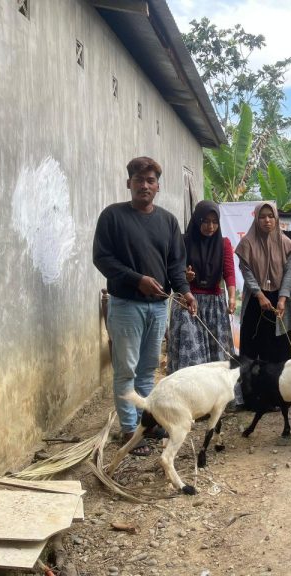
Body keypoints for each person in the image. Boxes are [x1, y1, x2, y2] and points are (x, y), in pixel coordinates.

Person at [93, 156, 196, 457]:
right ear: (129, 183)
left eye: (151, 181)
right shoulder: (112, 217)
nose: (145, 185)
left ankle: (146, 423)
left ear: (158, 187)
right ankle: (129, 429)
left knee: (148, 369)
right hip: (126, 304)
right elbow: (102, 259)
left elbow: (175, 264)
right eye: (139, 180)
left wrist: (185, 291)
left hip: (158, 306)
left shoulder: (168, 221)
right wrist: (137, 280)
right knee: (126, 369)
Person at [167, 200, 236, 374]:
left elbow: (229, 273)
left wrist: (232, 297)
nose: (210, 226)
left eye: (214, 222)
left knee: (217, 359)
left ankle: (216, 391)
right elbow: (174, 270)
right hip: (188, 304)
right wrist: (185, 276)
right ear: (197, 220)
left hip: (215, 307)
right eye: (205, 221)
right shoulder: (183, 241)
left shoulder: (224, 244)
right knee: (191, 358)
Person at [235, 202, 291, 363]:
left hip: (279, 301)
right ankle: (252, 380)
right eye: (262, 217)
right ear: (256, 219)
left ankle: (278, 379)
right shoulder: (247, 243)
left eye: (271, 216)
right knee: (252, 346)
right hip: (254, 300)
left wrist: (282, 299)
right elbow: (246, 272)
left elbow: (289, 273)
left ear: (276, 218)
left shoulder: (286, 243)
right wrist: (260, 295)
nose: (267, 220)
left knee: (280, 348)